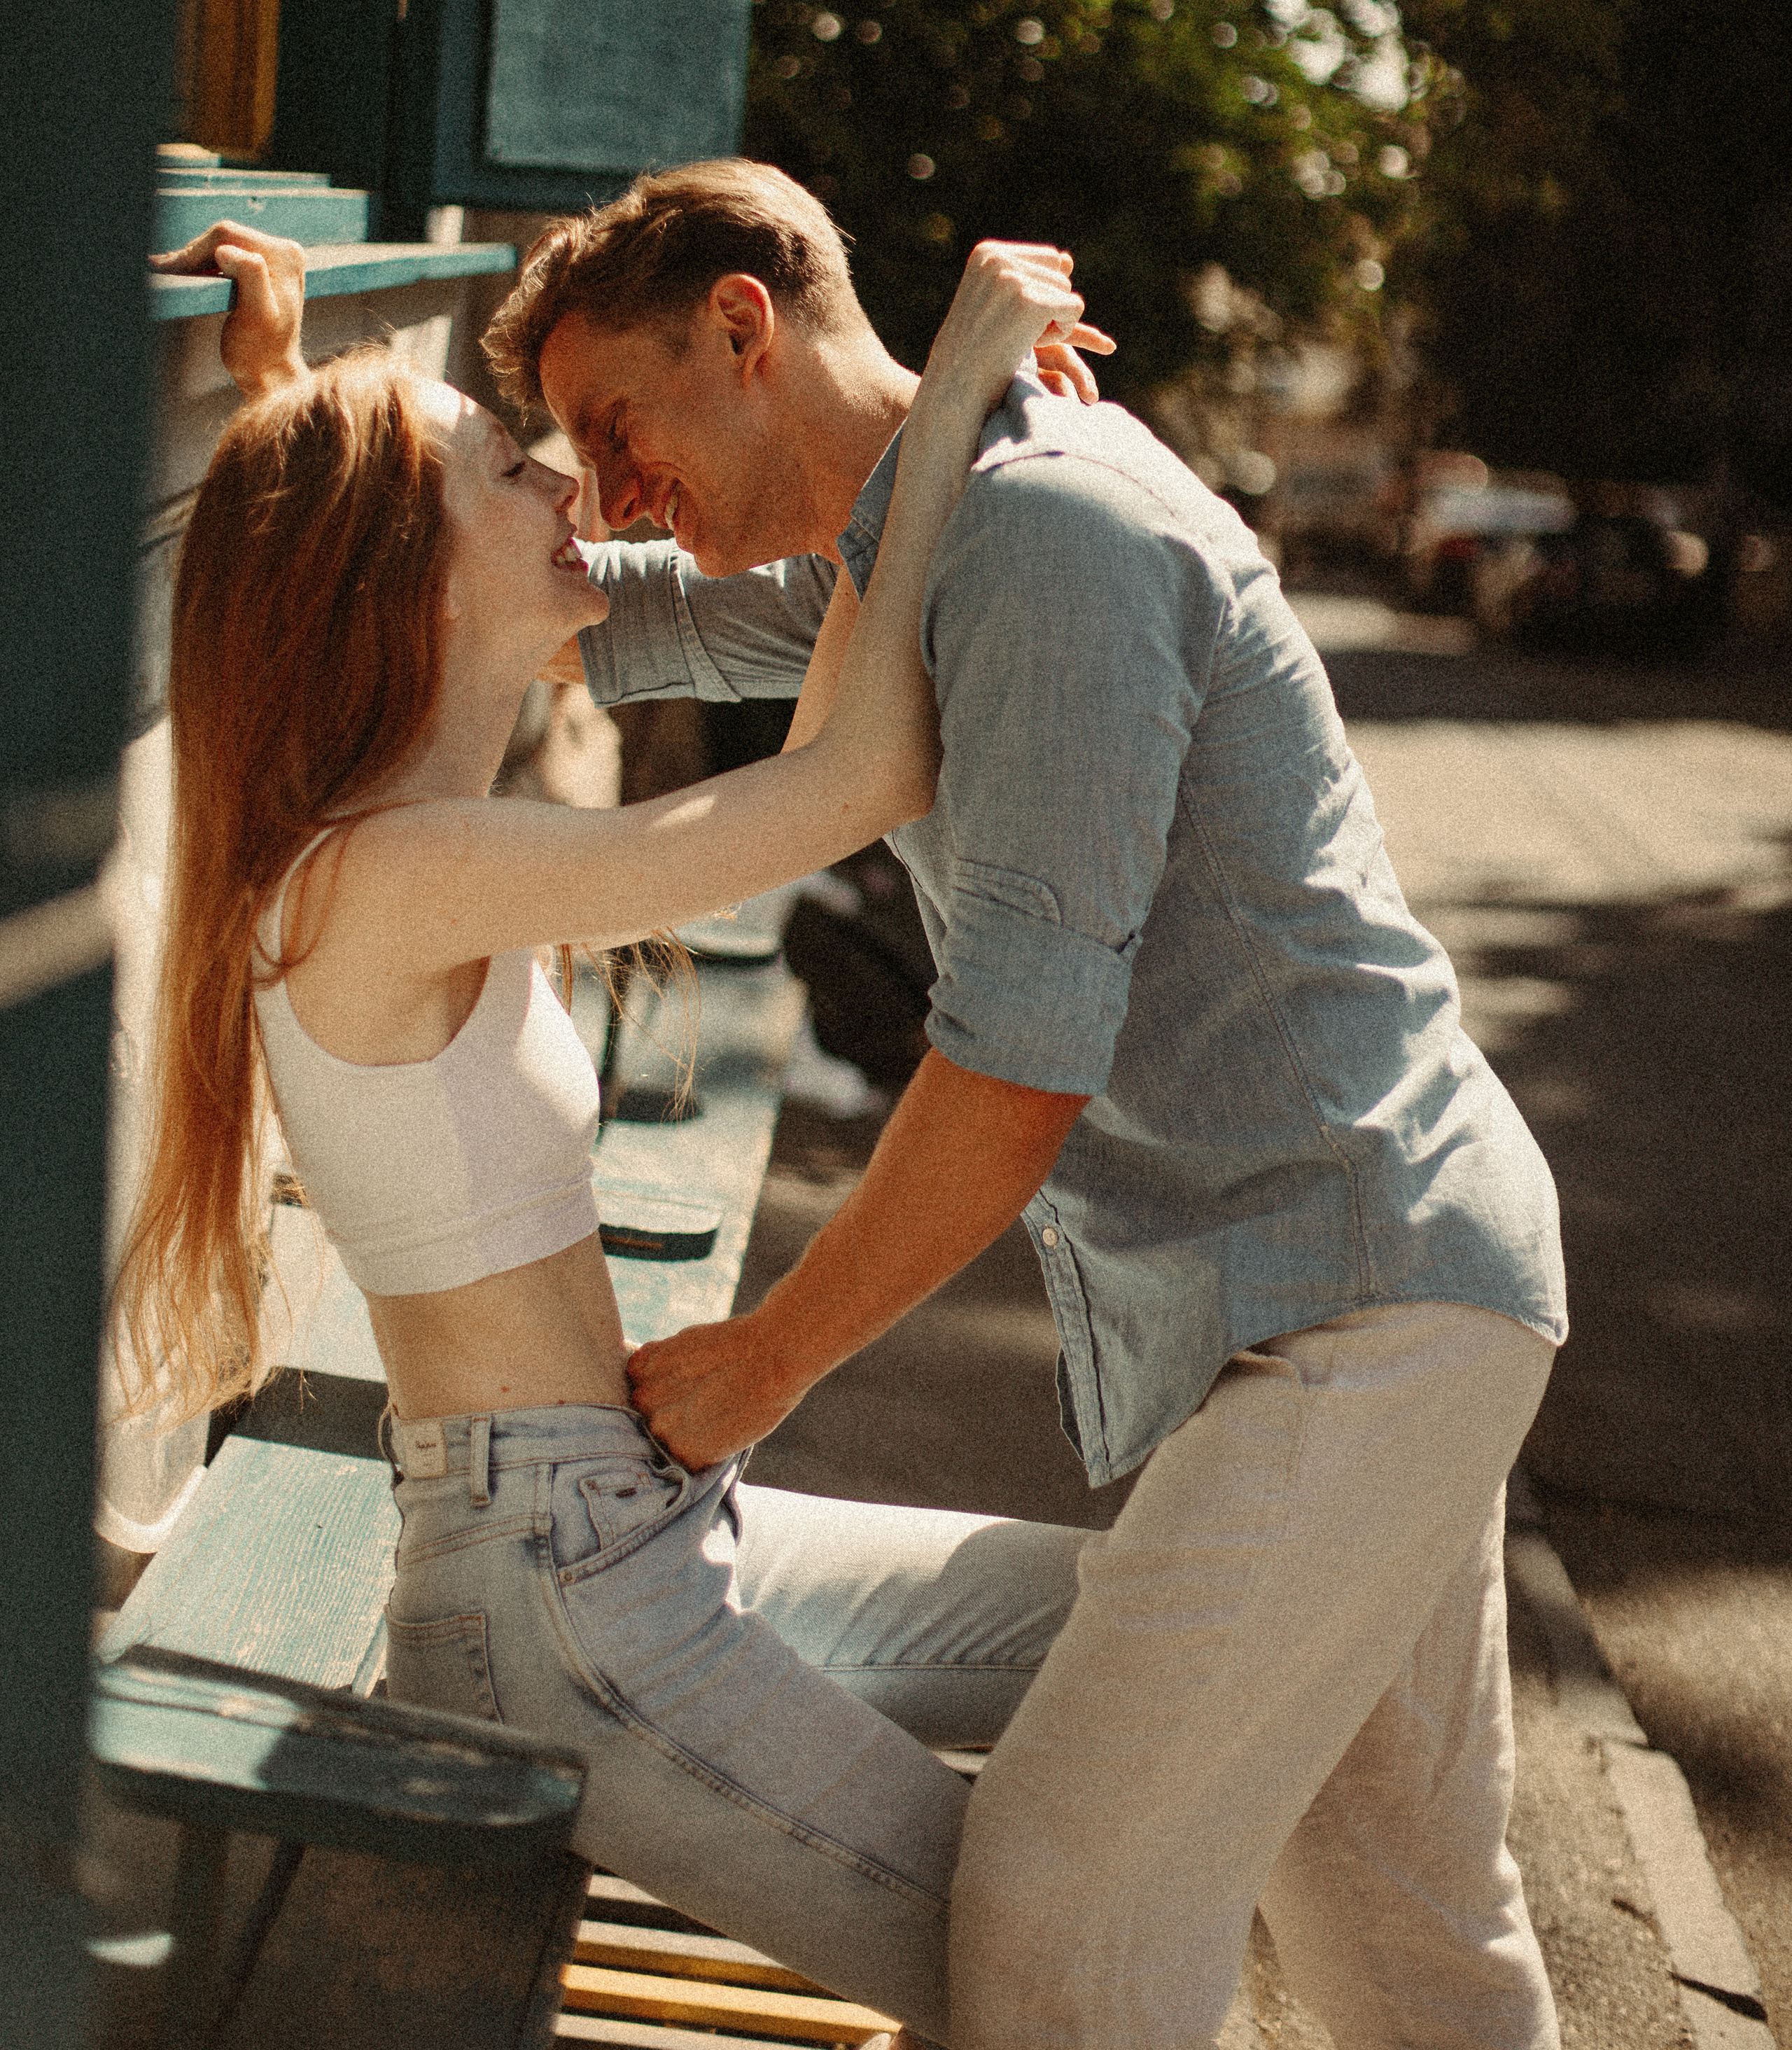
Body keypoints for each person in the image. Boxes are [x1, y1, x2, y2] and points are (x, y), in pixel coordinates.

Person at [475, 159, 1570, 2050]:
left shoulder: (1041, 535)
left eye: (613, 428)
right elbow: (627, 621)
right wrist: (325, 462)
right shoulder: (884, 553)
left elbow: (1015, 1074)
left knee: (1060, 1913)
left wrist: (765, 1363)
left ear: (744, 329)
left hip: (1363, 1299)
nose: (607, 485)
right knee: (1414, 1943)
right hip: (1351, 1283)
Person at [115, 235, 1109, 2050]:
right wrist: (953, 383)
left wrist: (282, 386)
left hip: (632, 1524)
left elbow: (352, 548)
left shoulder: (405, 832)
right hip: (554, 1602)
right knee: (1063, 1971)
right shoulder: (384, 878)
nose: (564, 476)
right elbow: (853, 782)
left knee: (1157, 1636)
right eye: (509, 467)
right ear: (410, 573)